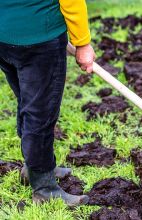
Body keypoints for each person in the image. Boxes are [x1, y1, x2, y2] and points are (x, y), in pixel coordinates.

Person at [0, 0, 96, 206]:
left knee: (29, 102)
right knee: (40, 112)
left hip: (5, 37)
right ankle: (44, 188)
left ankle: (35, 166)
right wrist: (83, 43)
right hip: (39, 40)